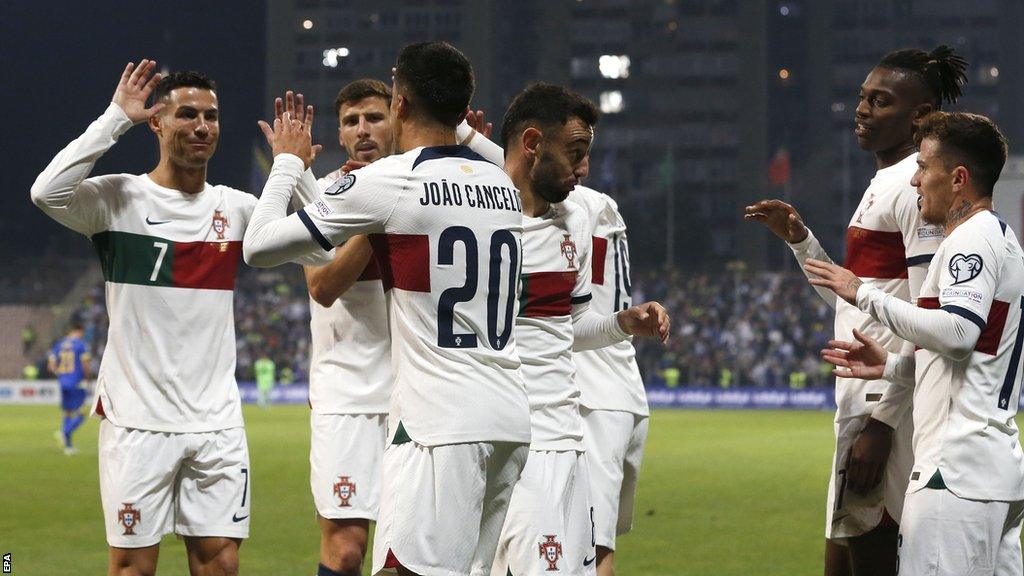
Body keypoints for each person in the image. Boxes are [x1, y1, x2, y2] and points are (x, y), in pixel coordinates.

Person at [30, 59, 330, 576]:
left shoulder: (235, 209)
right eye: (187, 114)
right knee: (132, 568)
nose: (202, 127)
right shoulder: (117, 198)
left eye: (211, 117)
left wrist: (295, 169)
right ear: (157, 123)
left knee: (221, 564)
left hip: (216, 422)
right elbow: (46, 192)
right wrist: (113, 119)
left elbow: (326, 247)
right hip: (137, 420)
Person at [243, 41, 533, 576]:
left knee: (401, 568)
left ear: (399, 105)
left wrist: (286, 163)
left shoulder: (390, 183)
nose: (364, 128)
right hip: (510, 415)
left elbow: (258, 245)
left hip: (438, 419)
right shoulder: (502, 184)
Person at [743, 46, 967, 576]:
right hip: (860, 395)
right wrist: (801, 242)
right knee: (840, 560)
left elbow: (928, 313)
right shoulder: (885, 181)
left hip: (882, 400)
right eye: (862, 98)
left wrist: (883, 422)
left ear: (919, 116)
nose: (862, 110)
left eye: (881, 101)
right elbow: (860, 298)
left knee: (871, 558)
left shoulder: (917, 186)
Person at [809, 111, 1024, 576]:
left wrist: (861, 291)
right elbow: (966, 354)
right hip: (991, 473)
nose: (915, 181)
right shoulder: (1001, 238)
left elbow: (960, 333)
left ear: (959, 178)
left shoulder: (970, 240)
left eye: (924, 168)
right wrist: (890, 366)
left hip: (955, 476)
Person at [487, 83, 669, 576]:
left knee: (582, 559)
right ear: (532, 143)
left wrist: (620, 323)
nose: (583, 168)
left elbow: (569, 323)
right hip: (499, 423)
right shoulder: (478, 214)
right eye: (576, 153)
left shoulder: (575, 217)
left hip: (567, 423)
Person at [300, 79, 395, 576]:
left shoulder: (425, 189)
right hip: (347, 396)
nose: (363, 130)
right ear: (339, 133)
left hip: (416, 394)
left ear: (398, 120)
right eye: (352, 121)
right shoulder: (322, 195)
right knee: (346, 550)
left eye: (375, 118)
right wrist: (377, 218)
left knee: (412, 552)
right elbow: (322, 285)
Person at [569, 181, 652, 576]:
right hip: (619, 387)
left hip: (592, 395)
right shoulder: (604, 205)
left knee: (592, 551)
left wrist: (466, 139)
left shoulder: (570, 207)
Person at [47, 319, 92, 455]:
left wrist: (60, 375)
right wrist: (87, 378)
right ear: (79, 331)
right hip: (76, 383)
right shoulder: (80, 345)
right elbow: (85, 365)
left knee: (67, 411)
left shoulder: (59, 344)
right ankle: (65, 431)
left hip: (63, 382)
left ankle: (68, 446)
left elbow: (50, 366)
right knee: (83, 411)